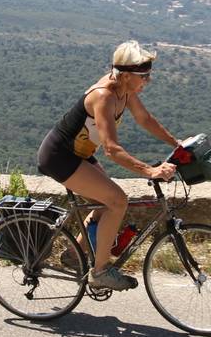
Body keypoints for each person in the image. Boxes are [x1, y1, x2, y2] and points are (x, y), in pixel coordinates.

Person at [36, 40, 179, 290]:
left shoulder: (125, 90)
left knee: (105, 201)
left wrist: (177, 143)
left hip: (80, 153)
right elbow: (111, 149)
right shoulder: (104, 96)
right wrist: (150, 171)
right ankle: (100, 271)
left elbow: (145, 119)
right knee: (117, 200)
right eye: (144, 76)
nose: (148, 81)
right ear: (125, 75)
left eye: (149, 75)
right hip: (59, 156)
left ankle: (74, 254)